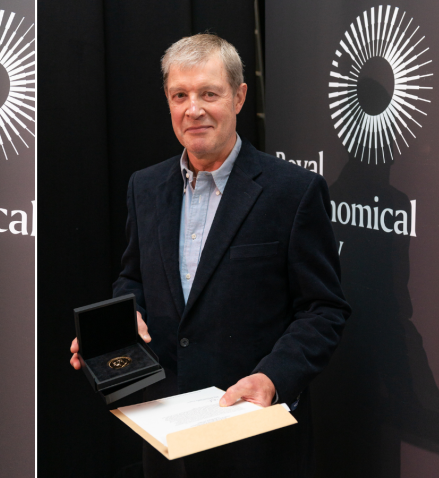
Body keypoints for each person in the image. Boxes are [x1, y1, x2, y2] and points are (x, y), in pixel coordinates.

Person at [69, 33, 350, 477]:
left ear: (239, 97)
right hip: (166, 433)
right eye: (180, 95)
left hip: (254, 440)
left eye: (209, 93)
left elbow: (323, 309)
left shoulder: (292, 192)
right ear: (167, 100)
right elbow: (133, 280)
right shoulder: (145, 187)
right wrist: (114, 332)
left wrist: (273, 378)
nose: (193, 109)